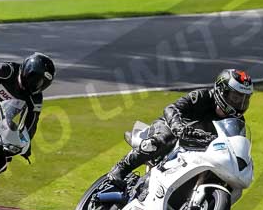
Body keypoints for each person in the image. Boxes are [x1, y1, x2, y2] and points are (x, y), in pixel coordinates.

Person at [107, 68, 253, 186]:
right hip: (171, 128)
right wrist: (178, 127)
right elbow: (171, 109)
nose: (239, 104)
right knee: (164, 139)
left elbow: (234, 147)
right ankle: (120, 169)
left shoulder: (237, 121)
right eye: (236, 98)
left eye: (244, 100)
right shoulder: (202, 96)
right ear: (222, 91)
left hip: (196, 149)